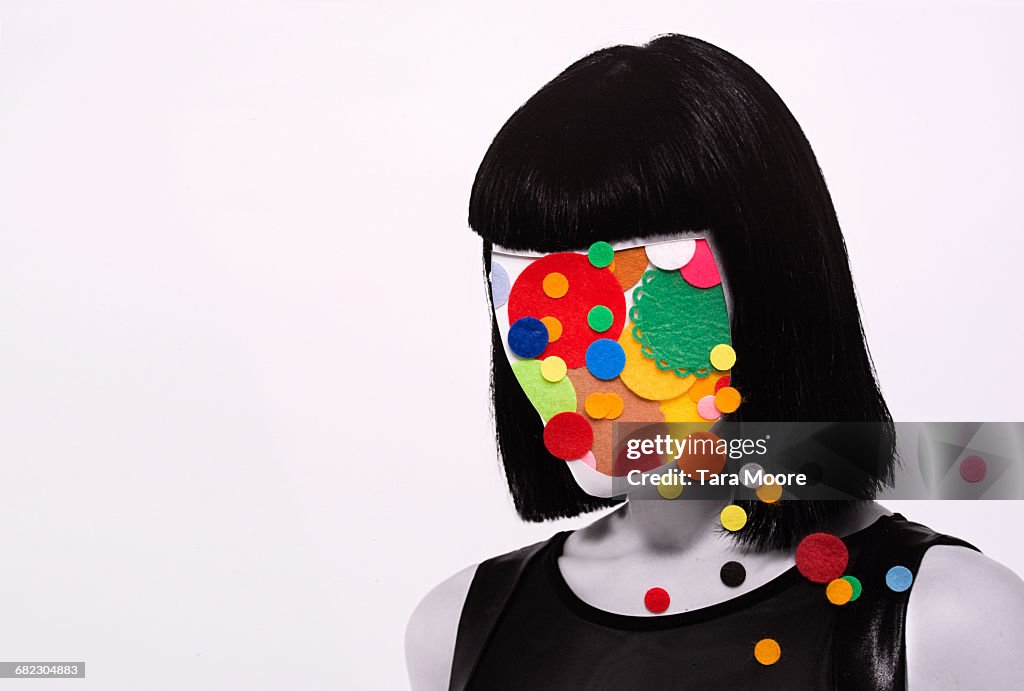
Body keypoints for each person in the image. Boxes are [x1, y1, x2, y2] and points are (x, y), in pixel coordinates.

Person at [406, 35, 1024, 690]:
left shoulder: (949, 621)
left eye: (642, 288)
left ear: (771, 289)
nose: (574, 361)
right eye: (529, 299)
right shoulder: (455, 628)